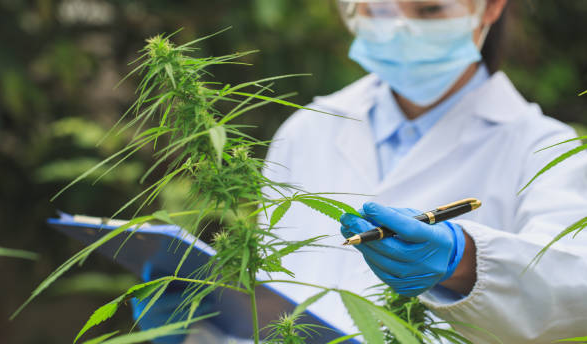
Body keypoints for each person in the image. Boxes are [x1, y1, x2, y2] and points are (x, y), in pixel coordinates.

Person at [134, 0, 587, 342]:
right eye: (381, 10)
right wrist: (205, 325)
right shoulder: (307, 128)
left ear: (489, 7)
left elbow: (572, 288)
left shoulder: (543, 146)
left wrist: (462, 260)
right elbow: (281, 303)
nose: (403, 29)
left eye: (429, 10)